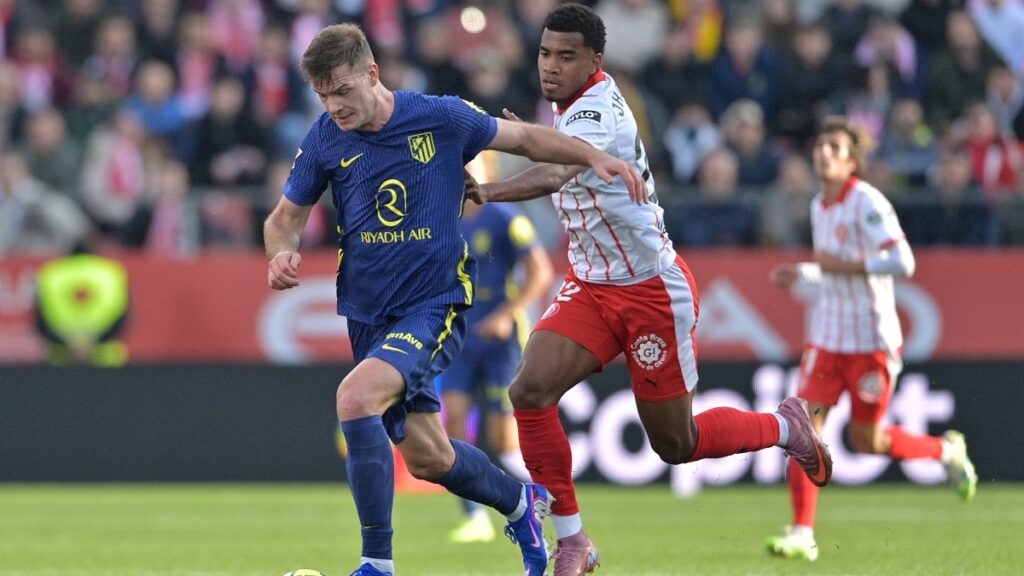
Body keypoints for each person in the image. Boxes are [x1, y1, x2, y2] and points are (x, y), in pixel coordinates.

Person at [262, 23, 645, 576]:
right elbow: (283, 220)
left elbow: (525, 140)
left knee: (355, 398)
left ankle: (376, 564)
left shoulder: (440, 116)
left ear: (372, 73)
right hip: (367, 313)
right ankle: (522, 505)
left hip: (432, 303)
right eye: (323, 95)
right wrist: (280, 253)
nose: (334, 105)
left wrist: (593, 157)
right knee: (429, 457)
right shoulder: (325, 137)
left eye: (342, 90)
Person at [466, 5, 832, 575]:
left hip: (648, 291)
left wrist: (490, 190)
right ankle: (573, 541)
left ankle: (786, 427)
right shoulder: (564, 109)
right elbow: (550, 151)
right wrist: (533, 138)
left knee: (676, 444)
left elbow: (558, 171)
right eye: (544, 53)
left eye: (566, 56)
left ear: (594, 61)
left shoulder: (597, 111)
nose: (551, 66)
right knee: (530, 391)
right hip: (591, 285)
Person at [765, 116, 979, 562]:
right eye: (820, 146)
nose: (824, 153)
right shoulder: (819, 205)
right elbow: (832, 268)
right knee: (802, 430)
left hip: (871, 341)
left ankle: (946, 451)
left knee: (868, 441)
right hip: (827, 337)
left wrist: (841, 267)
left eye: (835, 148)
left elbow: (903, 261)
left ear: (852, 162)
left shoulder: (866, 201)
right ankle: (802, 532)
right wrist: (804, 272)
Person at [440, 192, 554, 544]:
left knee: (502, 439)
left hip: (500, 340)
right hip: (459, 334)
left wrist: (506, 315)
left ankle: (550, 497)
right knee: (453, 422)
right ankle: (474, 517)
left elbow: (541, 271)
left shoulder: (506, 217)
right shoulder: (443, 216)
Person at [34, 242, 130, 367]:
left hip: (61, 356)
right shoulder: (111, 272)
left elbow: (40, 321)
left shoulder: (51, 274)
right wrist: (95, 342)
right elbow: (123, 318)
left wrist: (69, 343)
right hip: (104, 356)